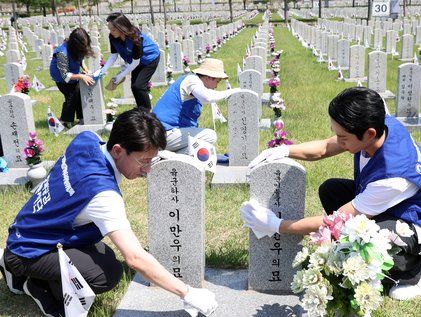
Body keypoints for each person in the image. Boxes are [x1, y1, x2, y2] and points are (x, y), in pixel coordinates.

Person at [0, 109, 218, 317]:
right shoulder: (103, 195)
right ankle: (37, 286)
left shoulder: (87, 140)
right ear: (117, 150)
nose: (148, 169)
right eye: (144, 161)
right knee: (107, 274)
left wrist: (154, 156)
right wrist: (188, 293)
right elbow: (135, 258)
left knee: (104, 254)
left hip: (27, 228)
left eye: (152, 160)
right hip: (27, 250)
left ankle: (23, 268)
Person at [241, 87, 421, 301]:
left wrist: (277, 225)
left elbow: (337, 220)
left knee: (376, 237)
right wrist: (284, 150)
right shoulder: (379, 124)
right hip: (389, 205)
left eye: (342, 137)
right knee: (331, 190)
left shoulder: (393, 177)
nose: (338, 140)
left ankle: (412, 272)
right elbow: (325, 148)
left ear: (369, 134)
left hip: (411, 221)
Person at [152, 58, 240, 154]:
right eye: (217, 81)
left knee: (203, 148)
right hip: (162, 133)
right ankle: (164, 156)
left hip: (167, 133)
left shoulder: (192, 81)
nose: (216, 86)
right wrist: (231, 91)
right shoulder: (192, 80)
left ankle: (166, 156)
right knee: (210, 136)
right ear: (208, 77)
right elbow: (207, 97)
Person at [94, 12, 160, 111]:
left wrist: (121, 75)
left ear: (122, 27)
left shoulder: (135, 38)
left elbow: (135, 62)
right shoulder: (113, 37)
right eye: (110, 29)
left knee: (139, 86)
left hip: (149, 59)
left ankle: (148, 112)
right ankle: (141, 109)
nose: (111, 32)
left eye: (113, 29)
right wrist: (102, 70)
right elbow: (114, 55)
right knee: (134, 86)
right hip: (136, 61)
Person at [50, 27, 94, 128]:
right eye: (82, 45)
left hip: (73, 74)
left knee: (78, 94)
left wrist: (84, 67)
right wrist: (81, 76)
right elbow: (65, 76)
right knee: (72, 96)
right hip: (61, 78)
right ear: (75, 43)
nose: (84, 47)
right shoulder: (62, 53)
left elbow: (80, 58)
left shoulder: (76, 48)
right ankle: (63, 121)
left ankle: (81, 118)